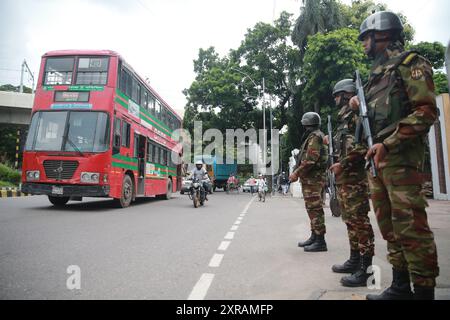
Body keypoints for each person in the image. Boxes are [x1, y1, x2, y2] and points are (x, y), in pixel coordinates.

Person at [349, 11, 439, 300]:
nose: (364, 45)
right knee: (389, 227)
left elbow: (426, 112)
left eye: (366, 39)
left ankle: (424, 292)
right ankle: (400, 286)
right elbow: (373, 121)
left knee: (412, 229)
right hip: (378, 163)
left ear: (382, 35)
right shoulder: (377, 76)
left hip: (401, 162)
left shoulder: (411, 64)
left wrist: (389, 143)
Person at [328, 79, 375, 287]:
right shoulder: (344, 119)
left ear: (347, 94)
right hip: (345, 179)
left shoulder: (358, 115)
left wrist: (343, 163)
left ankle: (366, 268)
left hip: (355, 178)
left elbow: (364, 146)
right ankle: (355, 260)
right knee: (350, 221)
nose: (336, 99)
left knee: (360, 223)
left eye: (337, 95)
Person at [290, 112, 328, 252]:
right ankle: (315, 236)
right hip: (310, 178)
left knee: (315, 208)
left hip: (313, 178)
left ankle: (320, 241)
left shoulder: (315, 137)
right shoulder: (313, 136)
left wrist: (296, 173)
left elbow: (311, 159)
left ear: (306, 123)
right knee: (311, 208)